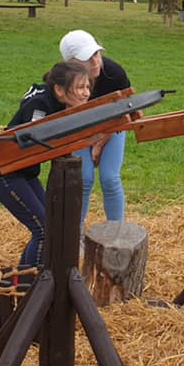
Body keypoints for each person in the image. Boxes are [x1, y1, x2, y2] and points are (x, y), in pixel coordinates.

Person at [0, 60, 92, 270]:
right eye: (80, 87)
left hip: (25, 173)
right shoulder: (39, 106)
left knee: (50, 225)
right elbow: (33, 144)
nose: (86, 93)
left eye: (87, 87)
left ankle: (25, 277)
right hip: (4, 174)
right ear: (59, 90)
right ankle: (31, 287)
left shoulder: (56, 101)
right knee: (44, 229)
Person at [59, 30, 132, 228]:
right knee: (83, 179)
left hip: (114, 124)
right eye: (87, 58)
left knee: (110, 178)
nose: (95, 62)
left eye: (96, 54)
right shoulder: (63, 81)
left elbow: (126, 110)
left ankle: (117, 233)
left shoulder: (114, 73)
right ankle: (76, 236)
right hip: (80, 128)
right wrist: (89, 139)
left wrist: (101, 140)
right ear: (71, 63)